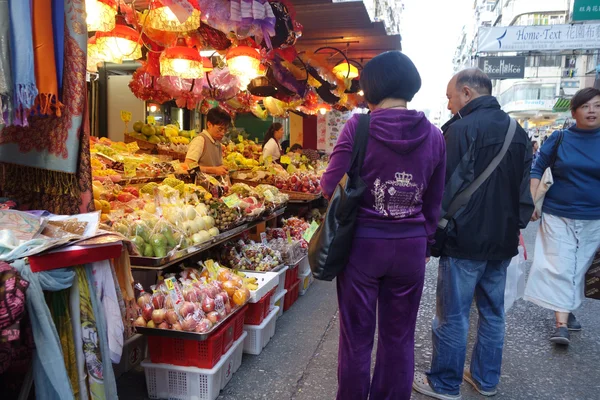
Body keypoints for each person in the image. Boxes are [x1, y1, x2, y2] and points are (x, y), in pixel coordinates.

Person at [320, 51, 446, 400]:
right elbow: (435, 200)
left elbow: (330, 185)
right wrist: (426, 241)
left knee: (356, 339)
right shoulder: (435, 135)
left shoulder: (358, 127)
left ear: (370, 88)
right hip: (410, 247)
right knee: (399, 338)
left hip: (362, 246)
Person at [413, 68, 533, 400]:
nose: (449, 104)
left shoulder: (461, 130)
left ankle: (445, 383)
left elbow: (443, 190)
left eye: (451, 96)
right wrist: (515, 227)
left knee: (453, 315)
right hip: (502, 241)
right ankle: (485, 379)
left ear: (467, 92)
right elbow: (525, 191)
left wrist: (431, 232)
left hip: (464, 240)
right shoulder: (517, 131)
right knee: (493, 313)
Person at [524, 87, 600, 346]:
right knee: (561, 264)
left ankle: (566, 306)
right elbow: (537, 168)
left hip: (594, 216)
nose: (592, 110)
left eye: (598, 105)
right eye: (586, 106)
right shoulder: (559, 138)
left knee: (580, 265)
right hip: (558, 213)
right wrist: (533, 203)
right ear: (574, 110)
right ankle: (561, 324)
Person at [185, 108, 231, 176]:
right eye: (220, 129)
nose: (222, 133)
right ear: (209, 124)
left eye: (225, 130)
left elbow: (219, 166)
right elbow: (188, 166)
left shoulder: (217, 143)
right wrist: (214, 170)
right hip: (199, 185)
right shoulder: (200, 140)